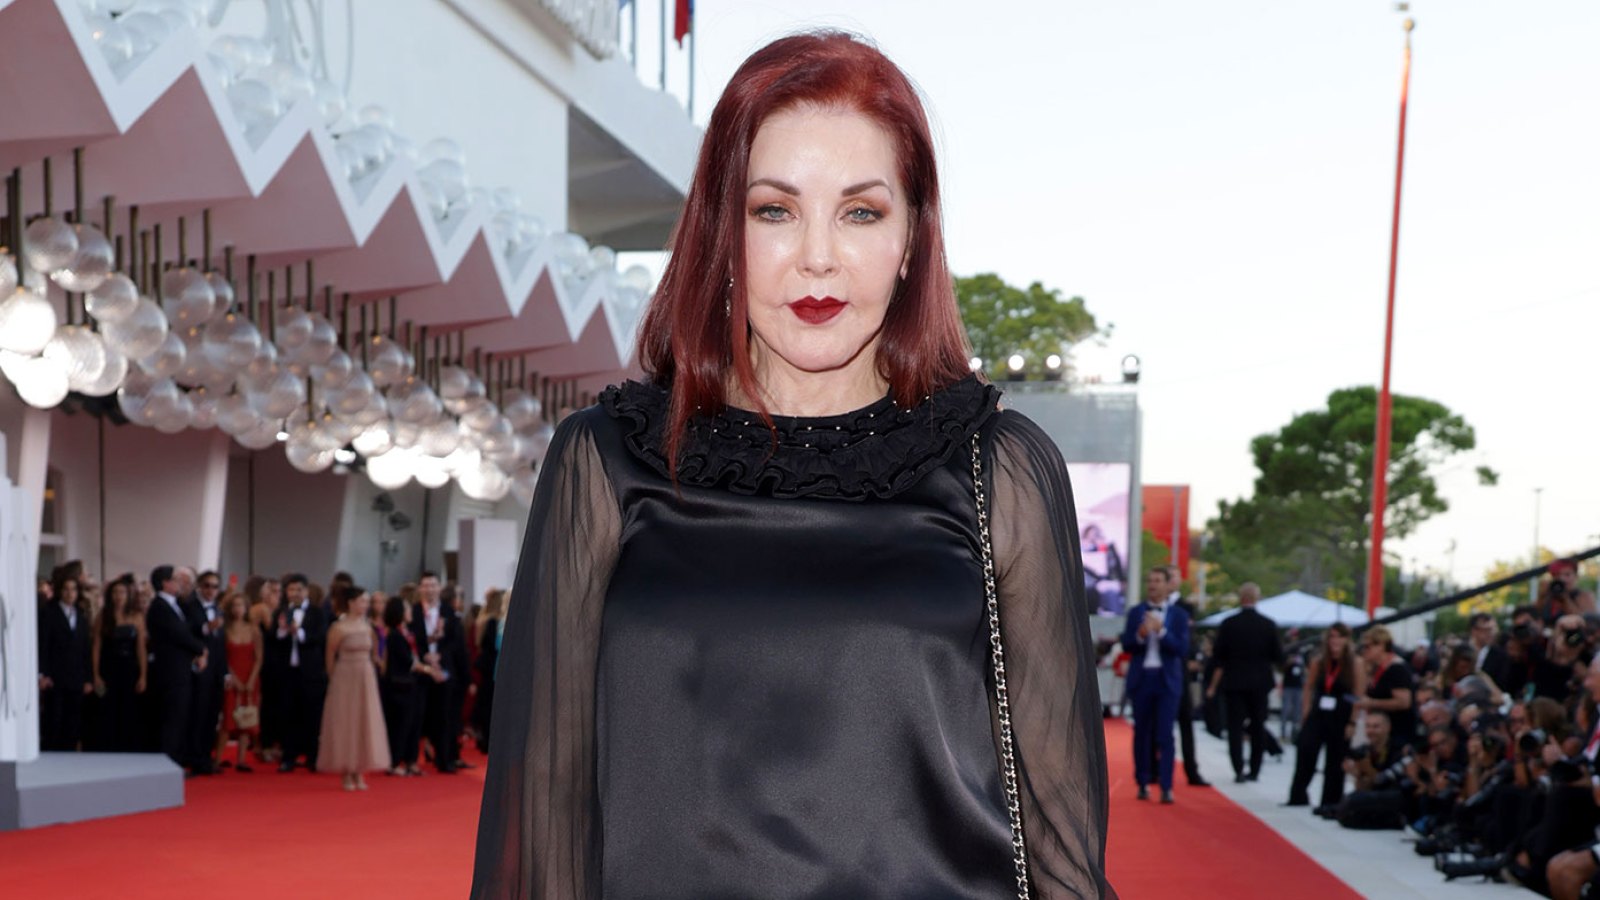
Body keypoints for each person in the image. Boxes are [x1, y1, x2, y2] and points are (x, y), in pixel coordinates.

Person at [471, 31, 1111, 900]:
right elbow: (548, 815)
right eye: (775, 210)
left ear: (913, 238)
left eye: (860, 212)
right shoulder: (607, 460)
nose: (818, 256)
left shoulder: (997, 467)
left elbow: (1060, 835)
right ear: (722, 234)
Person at [1124, 568, 1190, 804]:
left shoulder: (1179, 615)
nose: (1152, 585)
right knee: (1141, 732)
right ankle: (1142, 782)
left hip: (1167, 681)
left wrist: (1161, 632)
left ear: (1167, 584)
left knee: (1165, 734)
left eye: (1158, 580)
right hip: (1142, 679)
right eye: (1150, 580)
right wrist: (1140, 634)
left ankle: (1166, 786)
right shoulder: (1136, 612)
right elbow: (1127, 645)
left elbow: (1182, 649)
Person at [1206, 582, 1284, 783]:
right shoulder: (1267, 624)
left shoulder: (1229, 624)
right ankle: (1255, 769)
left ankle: (1238, 768)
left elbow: (1218, 656)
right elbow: (1278, 655)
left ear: (1241, 598)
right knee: (1258, 726)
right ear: (1257, 598)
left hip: (1235, 682)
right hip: (1259, 684)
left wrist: (1213, 684)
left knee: (1235, 727)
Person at [318, 585, 391, 791]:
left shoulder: (368, 627)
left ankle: (359, 770)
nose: (365, 605)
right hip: (344, 676)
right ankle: (346, 771)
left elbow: (376, 653)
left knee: (363, 720)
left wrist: (380, 665)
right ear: (350, 603)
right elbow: (330, 657)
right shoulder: (338, 628)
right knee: (346, 721)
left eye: (367, 602)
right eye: (362, 601)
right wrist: (334, 681)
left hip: (365, 676)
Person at [1288, 623, 1366, 812]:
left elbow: (1358, 694)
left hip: (1341, 713)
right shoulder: (1320, 661)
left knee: (1336, 759)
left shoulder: (1355, 663)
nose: (1335, 641)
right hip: (1319, 712)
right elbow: (1309, 687)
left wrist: (1352, 721)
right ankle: (1298, 794)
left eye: (1339, 637)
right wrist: (1306, 712)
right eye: (1332, 637)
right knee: (1306, 749)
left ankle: (1330, 802)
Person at [144, 565, 207, 767]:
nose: (179, 583)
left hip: (179, 670)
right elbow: (179, 634)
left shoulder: (175, 605)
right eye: (175, 579)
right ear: (165, 583)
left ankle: (175, 760)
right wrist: (201, 649)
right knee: (172, 719)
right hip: (170, 673)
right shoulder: (160, 607)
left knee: (179, 719)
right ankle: (168, 763)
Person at [411, 572, 467, 774]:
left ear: (439, 588)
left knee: (445, 715)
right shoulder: (413, 612)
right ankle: (412, 759)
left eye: (433, 585)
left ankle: (445, 759)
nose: (430, 589)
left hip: (444, 669)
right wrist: (425, 655)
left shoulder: (448, 612)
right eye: (426, 585)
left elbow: (456, 641)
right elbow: (411, 637)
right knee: (419, 714)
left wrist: (440, 656)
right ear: (420, 589)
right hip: (421, 671)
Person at [271, 573, 327, 772]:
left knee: (311, 714)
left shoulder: (317, 612)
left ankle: (312, 757)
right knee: (288, 713)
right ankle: (288, 756)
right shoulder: (281, 611)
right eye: (291, 589)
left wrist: (299, 632)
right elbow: (273, 638)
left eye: (298, 589)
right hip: (287, 672)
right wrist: (283, 630)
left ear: (306, 591)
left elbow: (320, 637)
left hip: (310, 673)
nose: (294, 593)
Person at [38, 568, 93, 751]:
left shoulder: (81, 616)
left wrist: (88, 678)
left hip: (76, 677)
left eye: (74, 589)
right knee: (54, 720)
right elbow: (43, 645)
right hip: (55, 676)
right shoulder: (49, 613)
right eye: (66, 589)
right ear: (60, 591)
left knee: (73, 721)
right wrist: (42, 674)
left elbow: (85, 649)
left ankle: (69, 755)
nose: (70, 594)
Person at [91, 575, 146, 751]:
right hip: (108, 668)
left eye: (122, 592)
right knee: (107, 708)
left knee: (129, 708)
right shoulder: (103, 616)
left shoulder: (137, 617)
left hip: (130, 669)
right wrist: (96, 675)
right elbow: (96, 647)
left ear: (128, 595)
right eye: (115, 592)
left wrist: (143, 676)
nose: (118, 596)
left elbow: (141, 649)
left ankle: (127, 747)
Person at [381, 596, 433, 777]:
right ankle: (394, 762)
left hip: (412, 685)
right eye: (407, 609)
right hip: (398, 687)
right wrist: (429, 669)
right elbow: (407, 660)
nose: (410, 612)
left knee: (414, 724)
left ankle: (411, 761)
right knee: (399, 726)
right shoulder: (394, 635)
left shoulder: (408, 632)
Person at [183, 569, 228, 775]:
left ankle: (205, 758)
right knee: (198, 715)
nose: (211, 590)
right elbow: (188, 632)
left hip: (216, 671)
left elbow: (221, 645)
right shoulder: (190, 606)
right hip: (199, 669)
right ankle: (193, 758)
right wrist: (206, 628)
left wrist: (225, 672)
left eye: (215, 586)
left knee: (212, 715)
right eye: (207, 586)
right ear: (200, 587)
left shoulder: (218, 609)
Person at [217, 590, 262, 771]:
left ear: (246, 608)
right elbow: (222, 657)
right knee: (228, 718)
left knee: (246, 719)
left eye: (241, 605)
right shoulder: (225, 630)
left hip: (250, 677)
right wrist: (233, 677)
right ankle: (217, 759)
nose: (238, 609)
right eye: (235, 605)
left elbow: (259, 658)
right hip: (231, 677)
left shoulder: (253, 629)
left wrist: (252, 679)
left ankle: (241, 760)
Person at [1356, 626, 1416, 751]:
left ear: (1381, 646)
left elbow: (1404, 702)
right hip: (1382, 731)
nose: (1364, 651)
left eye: (1367, 647)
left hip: (1397, 731)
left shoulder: (1396, 668)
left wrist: (1372, 703)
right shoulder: (1377, 667)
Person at [470, 587, 505, 752]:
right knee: (488, 704)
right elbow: (493, 646)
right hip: (491, 669)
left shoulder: (484, 620)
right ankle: (486, 739)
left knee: (485, 703)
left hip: (485, 668)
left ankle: (483, 737)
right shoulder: (492, 622)